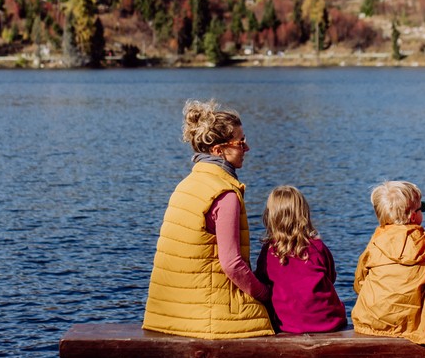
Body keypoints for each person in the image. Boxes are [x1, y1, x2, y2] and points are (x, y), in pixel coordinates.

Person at [143, 99, 274, 339]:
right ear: (218, 150)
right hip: (211, 318)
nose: (247, 148)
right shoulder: (224, 194)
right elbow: (232, 264)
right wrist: (265, 294)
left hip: (168, 316)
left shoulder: (186, 185)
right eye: (240, 142)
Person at [351, 181, 425, 346]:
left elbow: (359, 283)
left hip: (370, 322)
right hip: (412, 327)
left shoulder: (374, 246)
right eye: (422, 208)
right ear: (413, 216)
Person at [255, 185, 348, 333]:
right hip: (329, 321)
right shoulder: (317, 247)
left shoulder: (269, 252)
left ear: (270, 217)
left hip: (288, 324)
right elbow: (331, 277)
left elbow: (261, 279)